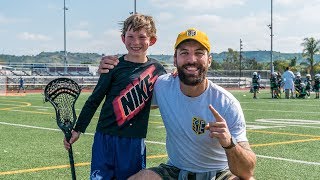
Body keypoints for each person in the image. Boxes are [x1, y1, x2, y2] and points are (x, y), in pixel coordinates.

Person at [100, 28, 256, 180]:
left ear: (209, 60)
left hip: (218, 172)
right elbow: (127, 95)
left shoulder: (226, 103)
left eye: (199, 53)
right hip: (176, 170)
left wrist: (229, 143)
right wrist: (112, 68)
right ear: (175, 59)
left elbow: (247, 171)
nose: (191, 59)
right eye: (184, 53)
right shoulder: (162, 85)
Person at [63, 13, 166, 180]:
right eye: (130, 36)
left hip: (134, 141)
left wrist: (177, 76)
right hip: (105, 137)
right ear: (123, 38)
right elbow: (94, 99)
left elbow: (168, 95)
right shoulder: (113, 66)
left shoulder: (158, 70)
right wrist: (78, 129)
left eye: (142, 37)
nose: (135, 42)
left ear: (152, 40)